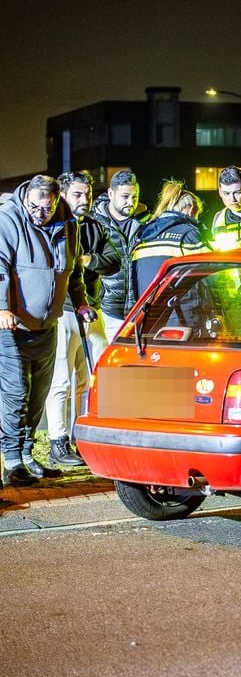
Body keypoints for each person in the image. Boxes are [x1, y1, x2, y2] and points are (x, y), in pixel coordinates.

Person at [0, 175, 91, 488]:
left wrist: (81, 303)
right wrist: (2, 307)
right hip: (12, 326)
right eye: (35, 208)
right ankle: (11, 460)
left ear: (55, 201)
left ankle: (27, 455)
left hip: (47, 325)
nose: (41, 214)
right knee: (15, 393)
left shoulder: (68, 225)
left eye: (47, 208)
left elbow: (74, 272)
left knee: (39, 394)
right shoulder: (8, 220)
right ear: (27, 200)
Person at [43, 171, 117, 469]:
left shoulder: (95, 228)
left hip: (90, 308)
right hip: (63, 311)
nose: (84, 199)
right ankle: (56, 442)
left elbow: (113, 261)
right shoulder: (53, 227)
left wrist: (89, 261)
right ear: (62, 195)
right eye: (77, 194)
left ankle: (80, 436)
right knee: (60, 378)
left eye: (87, 194)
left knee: (88, 378)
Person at [128, 180, 212, 308]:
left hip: (147, 316)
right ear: (191, 210)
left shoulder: (143, 236)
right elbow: (213, 274)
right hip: (183, 316)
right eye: (197, 214)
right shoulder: (189, 235)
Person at [93, 170, 145, 343]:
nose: (131, 202)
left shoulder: (146, 222)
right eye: (125, 196)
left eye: (135, 196)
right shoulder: (94, 224)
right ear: (110, 193)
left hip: (138, 310)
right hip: (106, 310)